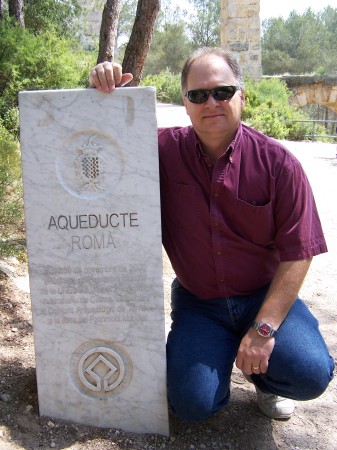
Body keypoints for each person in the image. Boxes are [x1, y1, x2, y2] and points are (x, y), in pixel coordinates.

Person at [89, 47, 334, 422]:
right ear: (185, 103)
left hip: (261, 297)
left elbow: (299, 251)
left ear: (242, 96)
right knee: (191, 404)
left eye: (223, 91)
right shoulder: (158, 151)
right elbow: (101, 144)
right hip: (200, 302)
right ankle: (218, 366)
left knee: (310, 374)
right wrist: (99, 91)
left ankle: (266, 382)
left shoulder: (279, 164)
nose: (211, 102)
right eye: (198, 95)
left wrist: (264, 328)